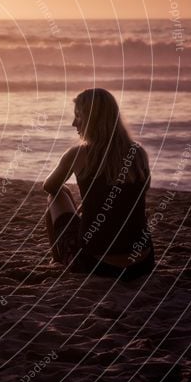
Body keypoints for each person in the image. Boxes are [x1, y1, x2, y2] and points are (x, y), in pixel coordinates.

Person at [43, 88, 155, 281]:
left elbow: (49, 186)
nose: (73, 123)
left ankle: (58, 261)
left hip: (97, 265)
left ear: (91, 119)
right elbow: (138, 194)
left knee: (59, 194)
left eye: (78, 117)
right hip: (142, 264)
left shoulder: (78, 154)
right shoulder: (138, 154)